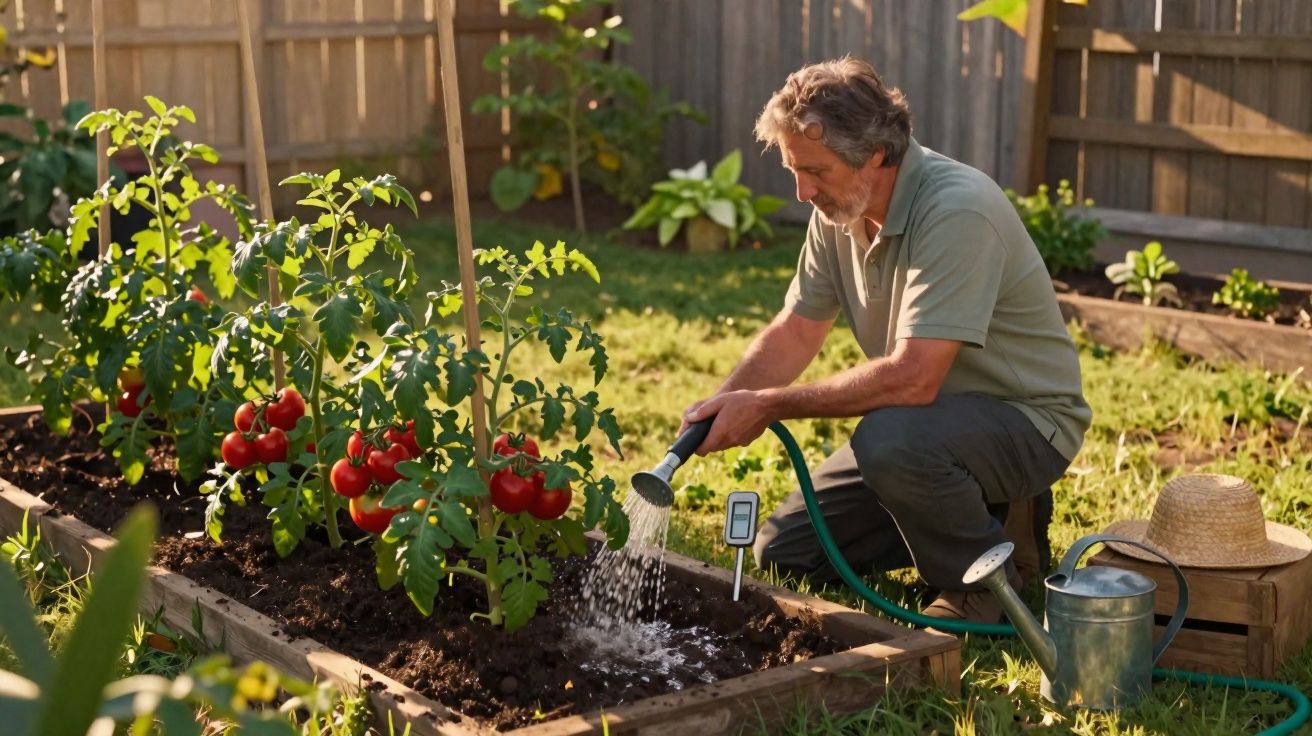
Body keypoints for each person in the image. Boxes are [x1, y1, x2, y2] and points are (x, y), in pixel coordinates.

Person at [680, 57, 1091, 623]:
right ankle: (988, 514)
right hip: (930, 427)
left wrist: (770, 405)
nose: (801, 191)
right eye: (793, 170)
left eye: (815, 171)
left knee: (889, 440)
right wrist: (720, 407)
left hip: (1024, 421)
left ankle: (977, 585)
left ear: (874, 154)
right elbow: (797, 330)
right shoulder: (839, 209)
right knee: (784, 552)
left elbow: (914, 378)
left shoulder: (956, 210)